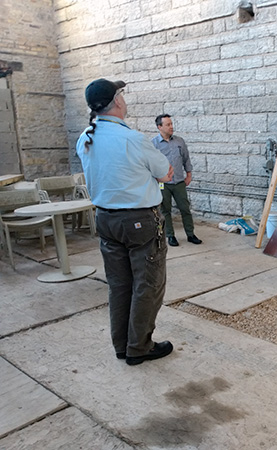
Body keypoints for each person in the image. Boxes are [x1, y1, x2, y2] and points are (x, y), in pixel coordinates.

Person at [76, 78, 174, 366]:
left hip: (106, 219)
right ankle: (139, 347)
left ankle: (122, 345)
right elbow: (166, 173)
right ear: (117, 101)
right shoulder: (133, 139)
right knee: (148, 284)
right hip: (140, 221)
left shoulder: (86, 138)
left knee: (119, 285)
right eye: (122, 94)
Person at [152, 114, 202, 247]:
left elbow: (186, 158)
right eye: (167, 124)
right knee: (165, 210)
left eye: (171, 124)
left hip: (179, 181)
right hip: (163, 184)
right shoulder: (154, 144)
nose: (171, 127)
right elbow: (151, 164)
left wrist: (189, 174)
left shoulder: (179, 141)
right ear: (159, 127)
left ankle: (190, 234)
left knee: (185, 208)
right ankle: (170, 236)